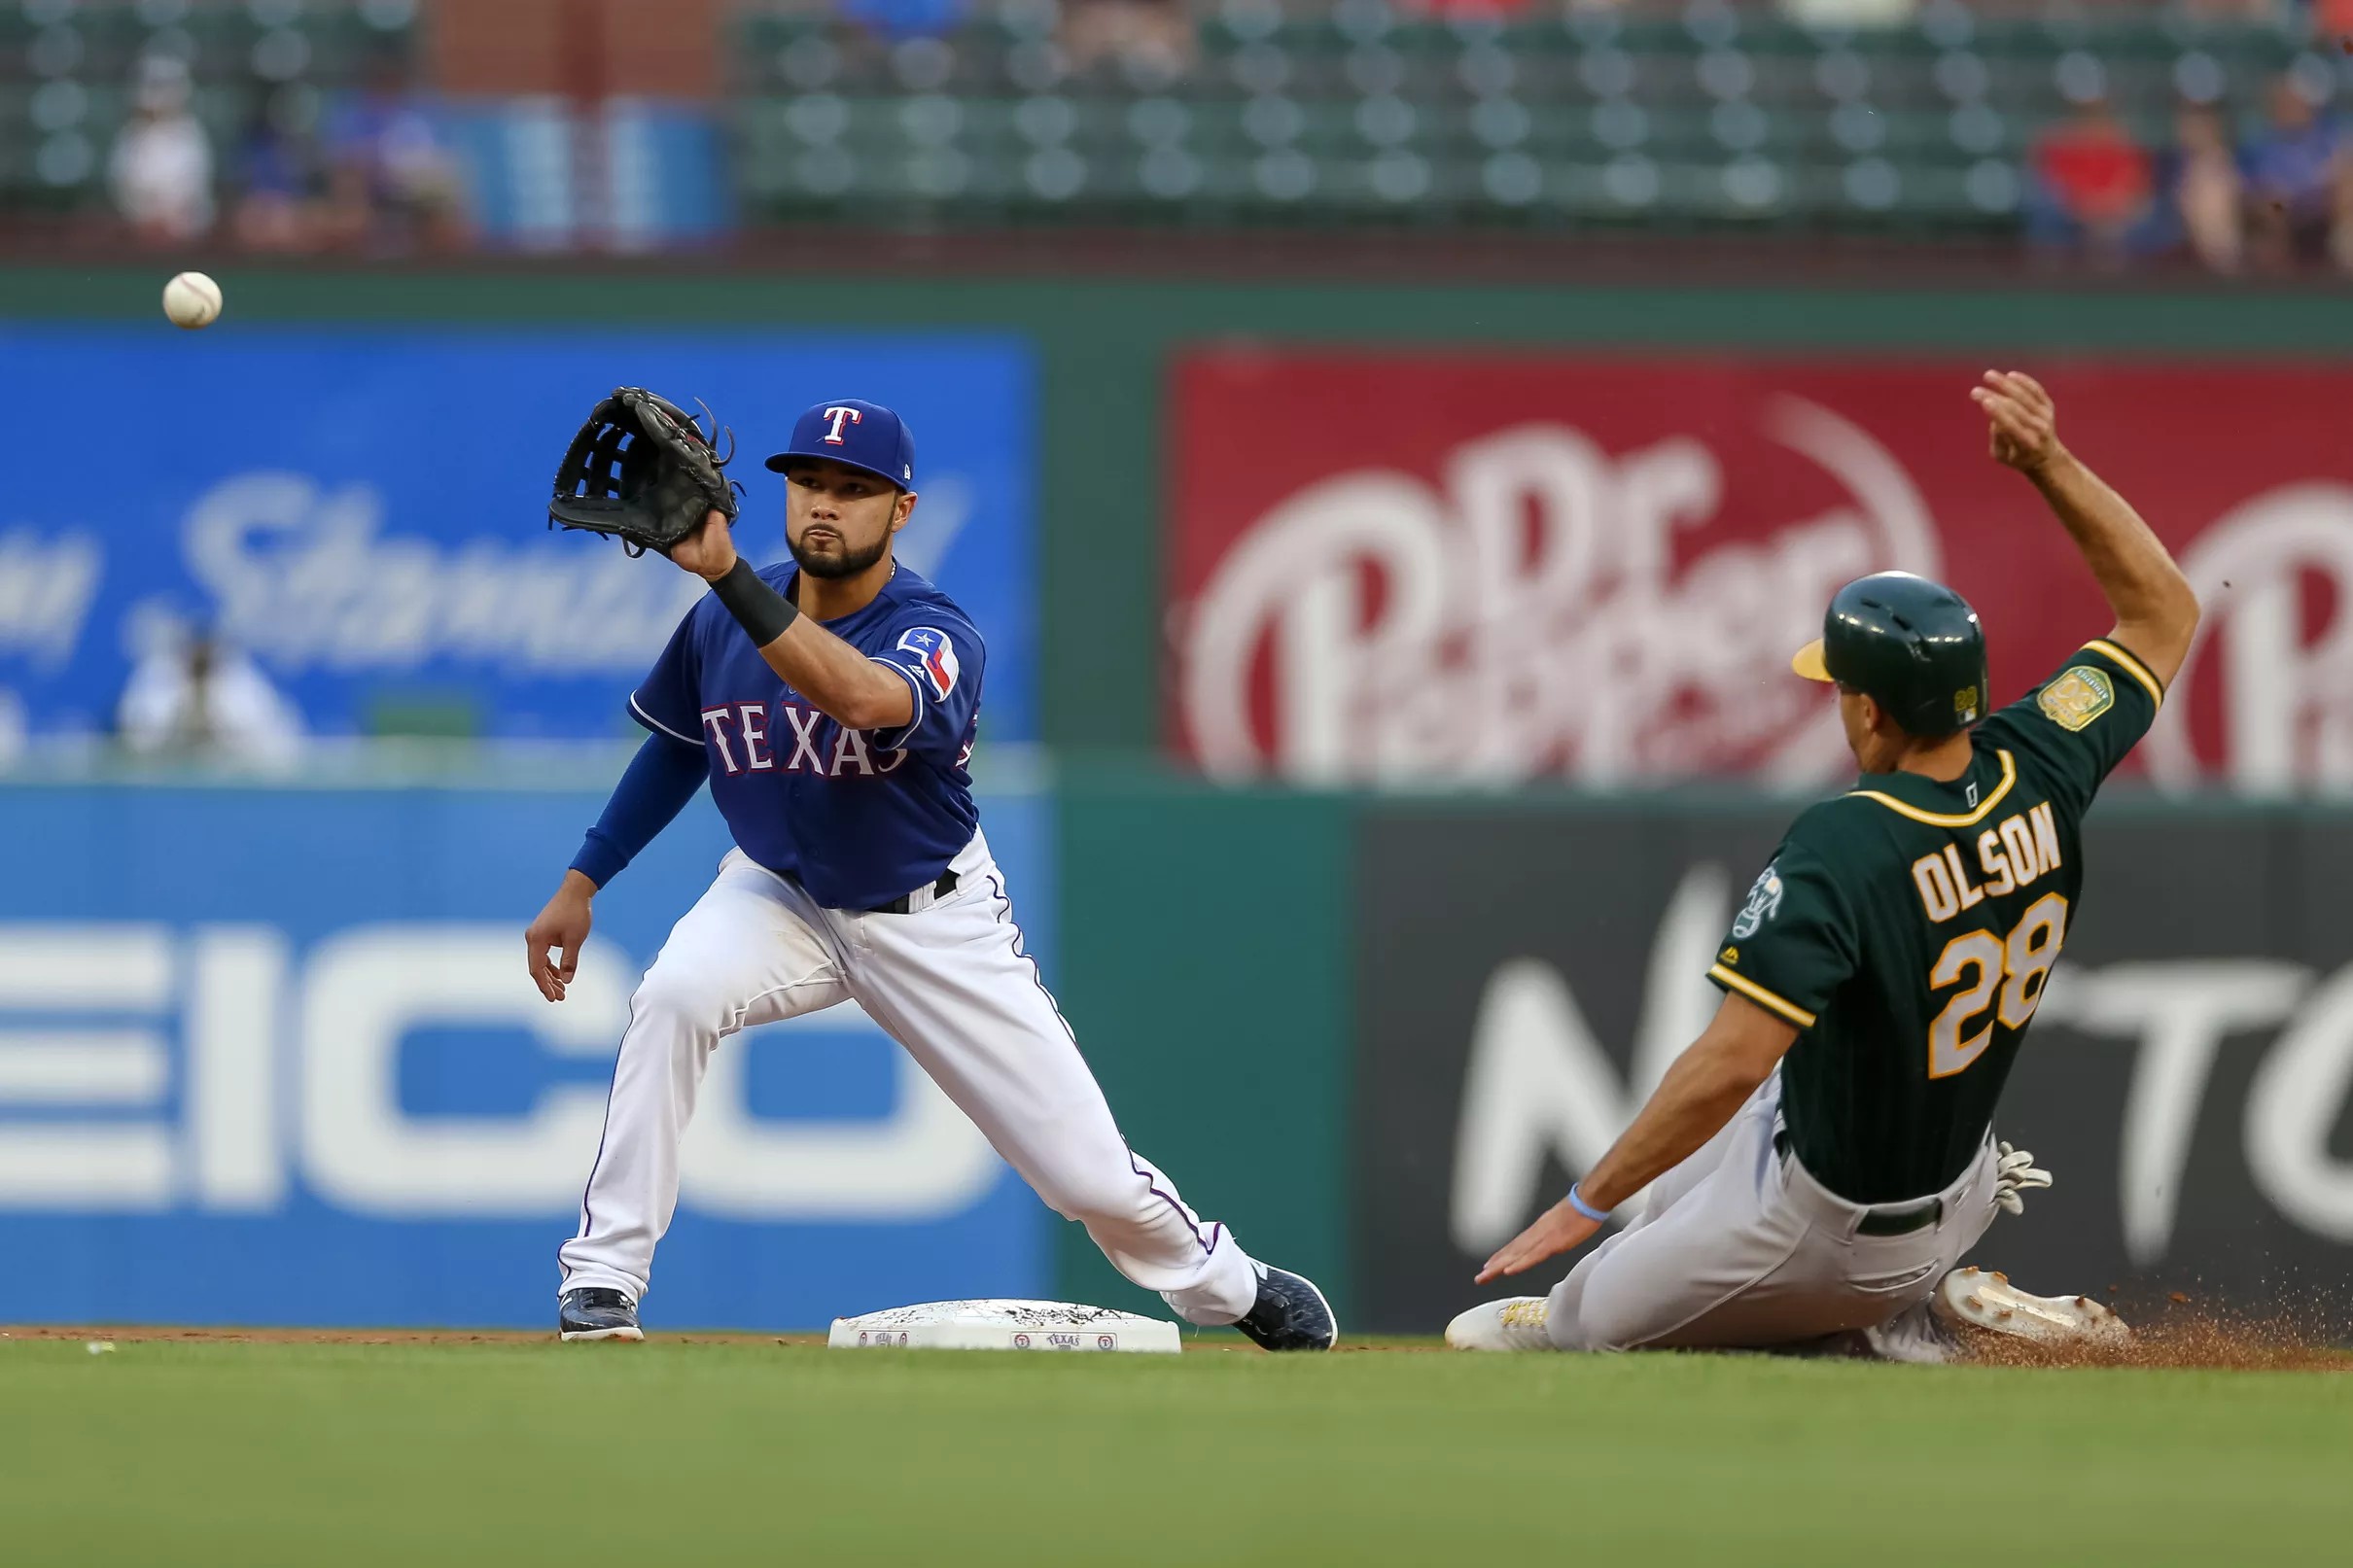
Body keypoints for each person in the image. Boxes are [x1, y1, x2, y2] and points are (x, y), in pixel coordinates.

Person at [527, 398, 1338, 1350]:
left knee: (1084, 1179)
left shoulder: (933, 631)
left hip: (929, 913)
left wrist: (733, 580)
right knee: (673, 993)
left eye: (853, 488)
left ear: (900, 509)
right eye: (808, 482)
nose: (823, 504)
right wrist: (583, 879)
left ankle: (1225, 1282)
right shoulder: (718, 624)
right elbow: (676, 747)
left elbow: (862, 696)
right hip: (777, 890)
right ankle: (603, 1278)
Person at [1448, 371, 2200, 1361]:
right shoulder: (2039, 761)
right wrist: (2048, 464)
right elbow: (2163, 614)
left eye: (1840, 684)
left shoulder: (1843, 839)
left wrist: (1579, 1203)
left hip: (1833, 1225)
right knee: (1701, 1172)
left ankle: (1918, 1327)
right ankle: (1913, 1295)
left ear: (1869, 709)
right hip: (1950, 1174)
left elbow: (1727, 1061)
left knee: (1576, 1319)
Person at [117, 625, 304, 768]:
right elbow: (136, 739)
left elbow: (277, 746)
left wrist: (215, 714)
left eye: (205, 662)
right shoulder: (157, 678)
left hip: (234, 794)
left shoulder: (244, 684)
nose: (200, 667)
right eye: (195, 661)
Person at [2026, 94, 2156, 267]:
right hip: (2073, 214)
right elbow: (2054, 186)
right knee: (2046, 217)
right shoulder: (2059, 140)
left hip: (2115, 217)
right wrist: (2088, 211)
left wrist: (2110, 212)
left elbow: (2135, 188)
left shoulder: (2124, 140)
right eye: (2086, 112)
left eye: (2097, 111)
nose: (2092, 118)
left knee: (2148, 221)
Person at [2241, 74, 2353, 273]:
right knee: (2272, 207)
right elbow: (2254, 193)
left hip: (2325, 206)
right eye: (2284, 103)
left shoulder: (2331, 138)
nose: (2291, 109)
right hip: (2283, 209)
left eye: (2296, 102)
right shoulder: (2260, 145)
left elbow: (2339, 179)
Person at [108, 56, 214, 246]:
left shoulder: (191, 133)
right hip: (138, 235)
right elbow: (123, 187)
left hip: (184, 235)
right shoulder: (130, 135)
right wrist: (146, 216)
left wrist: (170, 218)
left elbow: (193, 189)